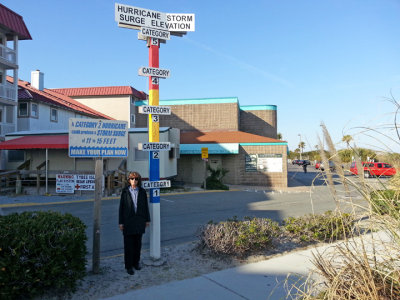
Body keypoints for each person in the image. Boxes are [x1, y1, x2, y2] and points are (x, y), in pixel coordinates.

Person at [119, 171, 150, 275]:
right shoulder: (125, 191)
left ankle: (136, 263)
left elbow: (145, 206)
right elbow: (121, 208)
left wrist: (147, 219)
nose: (134, 181)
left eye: (136, 179)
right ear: (129, 180)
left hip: (139, 221)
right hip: (128, 222)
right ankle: (128, 266)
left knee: (138, 245)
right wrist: (121, 222)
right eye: (132, 179)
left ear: (138, 180)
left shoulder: (142, 191)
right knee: (128, 246)